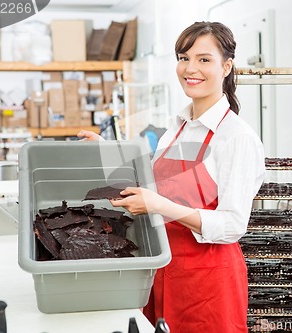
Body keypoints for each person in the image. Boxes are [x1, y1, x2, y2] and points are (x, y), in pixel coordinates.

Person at [78, 21, 265, 332]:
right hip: (161, 269)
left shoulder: (236, 137)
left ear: (227, 66)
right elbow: (155, 186)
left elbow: (233, 225)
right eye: (183, 58)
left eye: (204, 59)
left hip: (207, 282)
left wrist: (160, 206)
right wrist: (107, 151)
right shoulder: (177, 126)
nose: (190, 68)